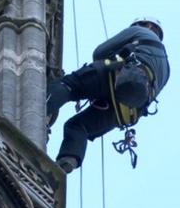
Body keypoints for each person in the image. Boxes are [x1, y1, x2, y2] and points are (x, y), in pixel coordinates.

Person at [47, 17, 170, 173]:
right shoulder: (166, 69)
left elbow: (99, 52)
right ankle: (67, 161)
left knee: (68, 86)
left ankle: (37, 110)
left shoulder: (140, 32)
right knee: (79, 126)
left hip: (116, 76)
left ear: (149, 26)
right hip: (127, 110)